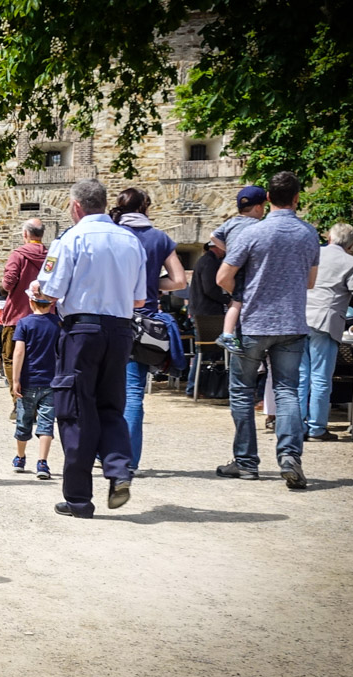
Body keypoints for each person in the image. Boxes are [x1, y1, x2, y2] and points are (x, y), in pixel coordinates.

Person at [37, 178, 145, 518]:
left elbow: (50, 293)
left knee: (75, 409)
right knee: (111, 406)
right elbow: (139, 299)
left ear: (76, 206)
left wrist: (37, 292)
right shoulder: (130, 240)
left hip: (82, 330)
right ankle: (119, 469)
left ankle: (79, 498)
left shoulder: (71, 238)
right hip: (121, 329)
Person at [215, 171, 319, 489]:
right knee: (287, 391)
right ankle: (289, 457)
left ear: (269, 198)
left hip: (253, 323)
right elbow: (310, 282)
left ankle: (246, 462)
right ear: (297, 198)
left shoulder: (252, 233)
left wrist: (240, 294)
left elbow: (222, 277)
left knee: (242, 392)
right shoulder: (309, 234)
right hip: (292, 323)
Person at [110, 188, 187, 475]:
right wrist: (152, 286)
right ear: (146, 207)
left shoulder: (112, 234)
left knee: (103, 390)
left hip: (110, 317)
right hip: (143, 322)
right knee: (133, 394)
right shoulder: (159, 238)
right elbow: (179, 281)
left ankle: (104, 451)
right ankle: (128, 460)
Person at [300, 223, 353, 441]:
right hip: (325, 323)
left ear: (329, 238)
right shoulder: (352, 263)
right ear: (351, 245)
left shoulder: (311, 254)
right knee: (320, 378)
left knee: (300, 377)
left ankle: (296, 425)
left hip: (299, 319)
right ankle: (316, 428)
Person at [11, 280, 59, 479]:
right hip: (51, 381)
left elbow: (19, 352)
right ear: (51, 303)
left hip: (28, 380)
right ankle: (42, 462)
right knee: (46, 423)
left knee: (24, 421)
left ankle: (20, 457)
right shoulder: (58, 324)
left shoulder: (24, 323)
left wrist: (15, 379)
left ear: (30, 302)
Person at [211, 186, 267, 354]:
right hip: (245, 267)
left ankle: (229, 333)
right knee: (238, 302)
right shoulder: (258, 226)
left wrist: (229, 250)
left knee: (237, 300)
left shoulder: (231, 222)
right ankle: (227, 334)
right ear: (258, 207)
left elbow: (213, 236)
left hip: (232, 265)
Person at [1, 219, 47, 399]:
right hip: (46, 315)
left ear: (25, 234)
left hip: (17, 315)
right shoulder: (51, 256)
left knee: (11, 358)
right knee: (41, 359)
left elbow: (8, 284)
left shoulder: (18, 255)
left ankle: (19, 401)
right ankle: (40, 401)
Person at [185, 240, 229, 396]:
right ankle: (194, 387)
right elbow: (210, 289)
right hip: (206, 314)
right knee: (205, 350)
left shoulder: (205, 261)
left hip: (203, 312)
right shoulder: (209, 262)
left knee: (206, 351)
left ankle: (198, 387)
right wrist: (228, 300)